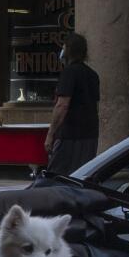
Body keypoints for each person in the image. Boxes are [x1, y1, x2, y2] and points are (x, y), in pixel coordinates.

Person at [44, 33, 100, 177]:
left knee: (57, 177)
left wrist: (50, 134)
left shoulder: (69, 72)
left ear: (68, 50)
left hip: (70, 136)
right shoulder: (93, 75)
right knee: (82, 177)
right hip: (90, 135)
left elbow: (62, 105)